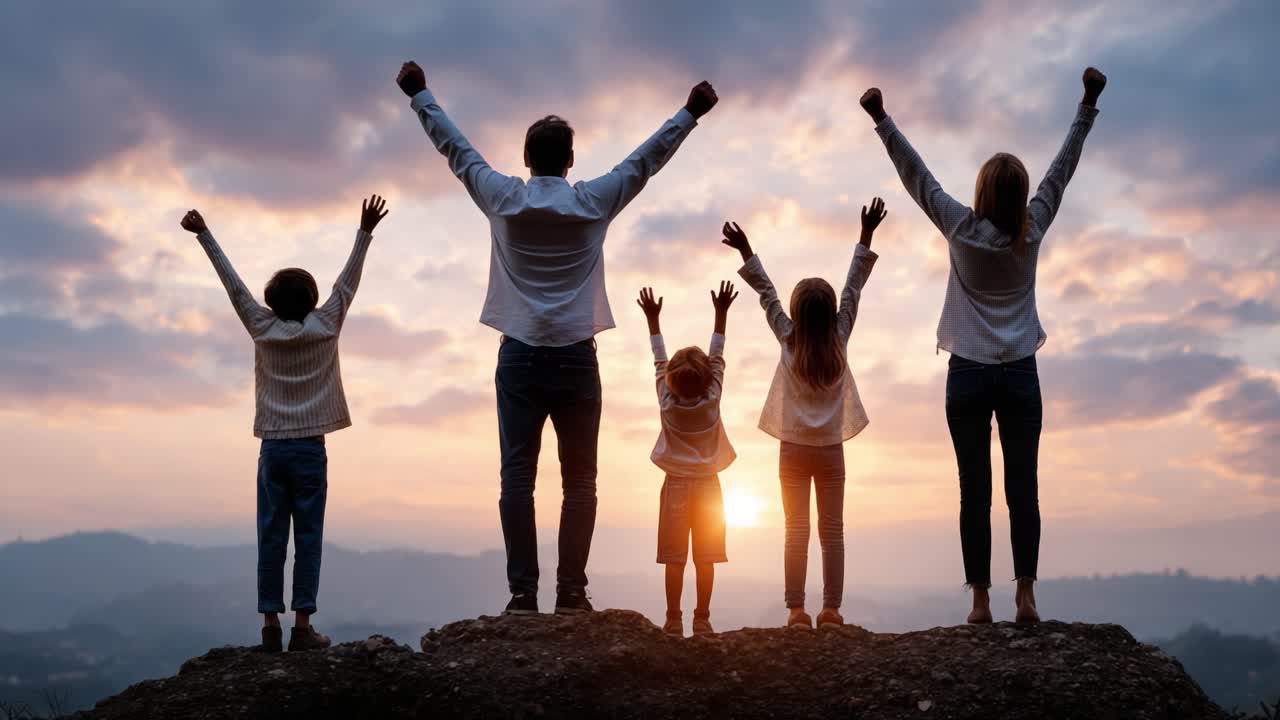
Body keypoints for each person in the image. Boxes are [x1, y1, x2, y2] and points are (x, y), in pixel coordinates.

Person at [395, 60, 719, 616]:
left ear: (527, 158)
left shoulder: (504, 200)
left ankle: (523, 593)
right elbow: (645, 161)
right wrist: (690, 113)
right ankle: (572, 591)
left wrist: (420, 94)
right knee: (581, 482)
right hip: (576, 358)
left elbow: (457, 151)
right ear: (570, 160)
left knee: (517, 477)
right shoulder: (592, 201)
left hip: (518, 355)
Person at [860, 67, 1107, 624]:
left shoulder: (959, 228)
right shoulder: (1034, 227)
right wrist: (1087, 102)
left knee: (975, 488)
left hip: (967, 373)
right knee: (1025, 487)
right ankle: (1026, 595)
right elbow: (1062, 170)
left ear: (981, 193)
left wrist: (881, 119)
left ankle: (978, 601)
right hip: (1020, 372)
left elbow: (916, 176)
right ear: (1020, 197)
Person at [180, 196, 389, 651]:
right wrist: (365, 232)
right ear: (313, 300)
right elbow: (347, 284)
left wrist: (204, 234)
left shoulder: (261, 327)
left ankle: (270, 627)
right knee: (309, 536)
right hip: (310, 449)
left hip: (273, 449)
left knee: (271, 535)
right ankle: (303, 627)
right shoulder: (327, 324)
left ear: (272, 302)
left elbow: (233, 285)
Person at [721, 199, 886, 629]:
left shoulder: (787, 338)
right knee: (832, 532)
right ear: (831, 314)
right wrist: (865, 234)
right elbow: (854, 287)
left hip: (792, 449)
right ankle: (831, 609)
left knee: (795, 530)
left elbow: (766, 294)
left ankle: (796, 610)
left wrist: (746, 250)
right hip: (831, 450)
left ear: (795, 314)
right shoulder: (841, 336)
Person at [636, 282, 738, 637]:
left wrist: (653, 319)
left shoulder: (667, 403)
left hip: (676, 486)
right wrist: (721, 313)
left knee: (675, 558)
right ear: (709, 379)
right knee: (706, 557)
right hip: (710, 486)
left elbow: (658, 360)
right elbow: (718, 356)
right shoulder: (712, 399)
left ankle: (673, 619)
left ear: (670, 381)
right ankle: (703, 618)